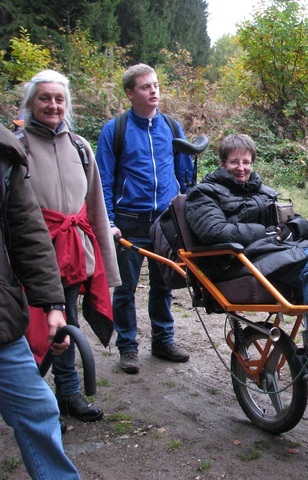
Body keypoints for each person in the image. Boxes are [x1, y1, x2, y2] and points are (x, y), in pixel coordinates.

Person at [185, 134, 308, 397]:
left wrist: (291, 227)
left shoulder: (263, 192)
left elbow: (298, 221)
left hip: (274, 253)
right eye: (234, 162)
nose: (241, 168)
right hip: (240, 263)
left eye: (246, 162)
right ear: (222, 163)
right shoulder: (204, 193)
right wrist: (263, 232)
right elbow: (212, 230)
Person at [17, 69, 121, 424]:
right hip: (30, 258)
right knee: (32, 330)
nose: (53, 105)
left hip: (73, 253)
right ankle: (38, 404)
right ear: (30, 102)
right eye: (45, 98)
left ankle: (68, 394)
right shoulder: (17, 147)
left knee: (66, 326)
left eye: (59, 99)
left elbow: (95, 204)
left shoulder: (80, 146)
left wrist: (105, 250)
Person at [96, 63, 193, 374]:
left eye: (156, 85)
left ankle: (163, 341)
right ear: (130, 93)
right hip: (129, 221)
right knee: (125, 287)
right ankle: (127, 346)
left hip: (165, 220)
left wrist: (186, 209)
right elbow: (103, 181)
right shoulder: (115, 130)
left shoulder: (172, 128)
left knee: (164, 284)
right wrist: (109, 220)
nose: (154, 91)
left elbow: (184, 174)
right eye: (145, 86)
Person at [0, 123, 80, 479]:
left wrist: (53, 305)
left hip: (1, 325)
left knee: (39, 410)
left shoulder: (4, 154)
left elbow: (28, 236)